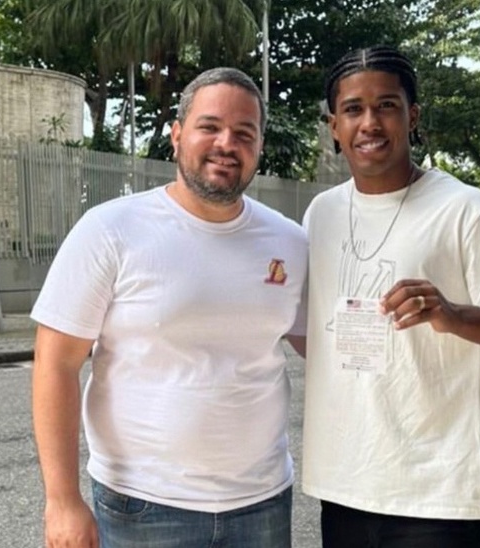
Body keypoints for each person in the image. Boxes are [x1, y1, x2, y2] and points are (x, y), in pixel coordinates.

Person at [30, 67, 307, 548]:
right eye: (209, 126)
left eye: (244, 133)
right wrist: (62, 500)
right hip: (143, 505)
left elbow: (324, 345)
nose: (227, 143)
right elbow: (55, 364)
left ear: (259, 147)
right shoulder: (111, 229)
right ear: (177, 136)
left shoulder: (289, 241)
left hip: (261, 502)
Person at [301, 45, 480, 548]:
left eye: (387, 106)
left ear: (412, 116)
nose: (370, 123)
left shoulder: (465, 210)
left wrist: (452, 315)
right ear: (334, 126)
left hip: (437, 496)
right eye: (353, 109)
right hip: (344, 483)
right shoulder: (321, 214)